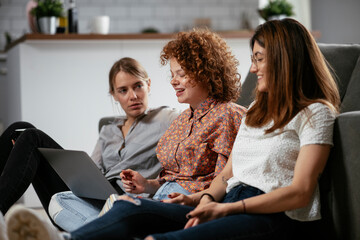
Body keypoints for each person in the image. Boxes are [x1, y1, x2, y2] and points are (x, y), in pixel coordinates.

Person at [1, 27, 249, 240]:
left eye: (181, 74)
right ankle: (110, 225)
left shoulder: (215, 115)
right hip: (143, 197)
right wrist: (146, 183)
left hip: (178, 202)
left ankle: (89, 230)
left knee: (120, 207)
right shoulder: (181, 121)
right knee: (60, 198)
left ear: (206, 70)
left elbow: (223, 181)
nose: (173, 81)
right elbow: (167, 176)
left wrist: (197, 201)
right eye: (172, 74)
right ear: (114, 95)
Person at [0, 57, 180, 230]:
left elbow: (198, 116)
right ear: (114, 95)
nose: (133, 96)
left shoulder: (166, 118)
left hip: (124, 199)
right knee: (20, 129)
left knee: (32, 137)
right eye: (123, 90)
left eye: (138, 86)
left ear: (148, 84)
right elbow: (91, 169)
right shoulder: (108, 130)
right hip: (92, 195)